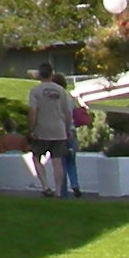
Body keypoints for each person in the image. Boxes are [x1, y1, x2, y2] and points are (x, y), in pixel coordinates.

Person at [27, 64, 79, 198]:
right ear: (52, 73)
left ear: (40, 75)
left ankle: (45, 186)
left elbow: (33, 111)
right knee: (57, 161)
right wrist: (67, 128)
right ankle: (58, 191)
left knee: (36, 158)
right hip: (59, 130)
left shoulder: (35, 91)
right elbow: (67, 112)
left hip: (41, 130)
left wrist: (32, 128)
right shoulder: (61, 91)